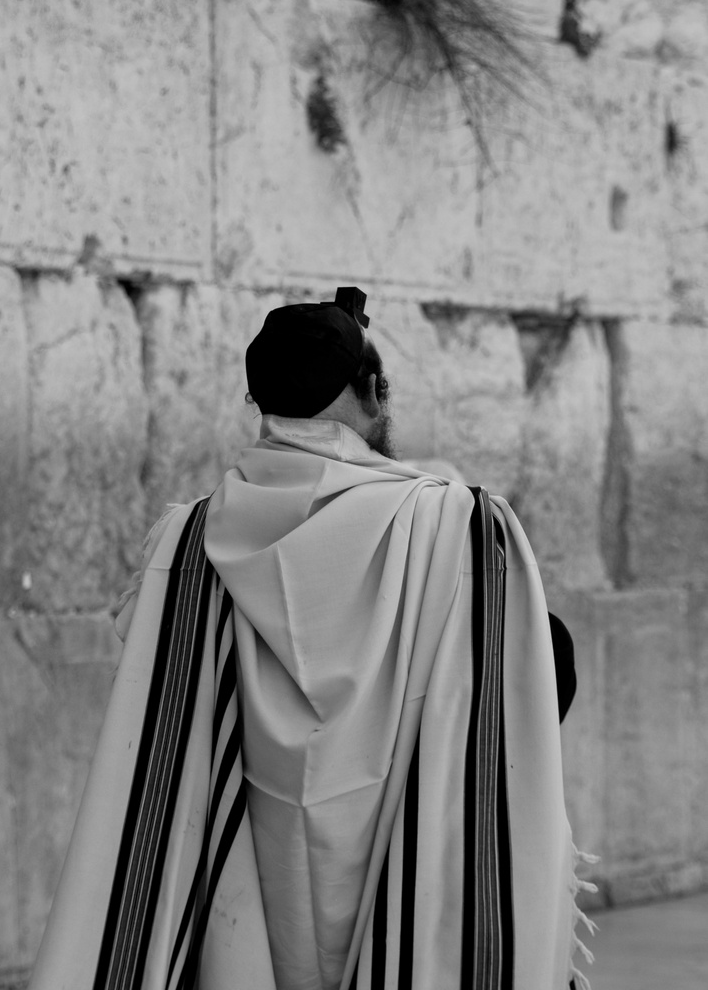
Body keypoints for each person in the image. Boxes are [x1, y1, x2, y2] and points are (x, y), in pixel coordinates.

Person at [29, 287, 593, 990]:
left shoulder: (190, 539)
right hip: (410, 891)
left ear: (261, 403)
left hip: (251, 904)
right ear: (373, 393)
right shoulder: (463, 526)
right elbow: (527, 691)